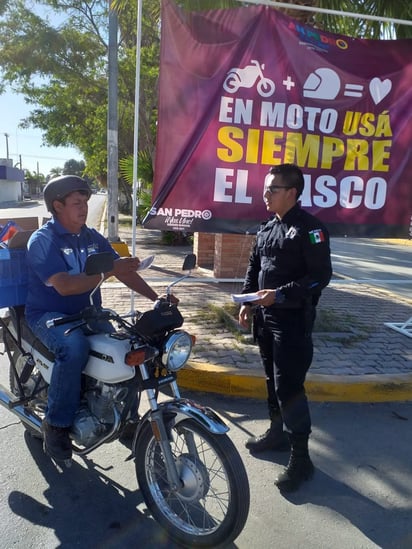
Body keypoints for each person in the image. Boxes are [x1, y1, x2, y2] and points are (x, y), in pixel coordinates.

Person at [25, 175, 165, 462]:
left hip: (88, 312)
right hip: (50, 314)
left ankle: (125, 416)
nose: (84, 208)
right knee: (74, 349)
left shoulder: (91, 237)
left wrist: (156, 299)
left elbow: (122, 270)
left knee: (129, 349)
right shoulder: (43, 240)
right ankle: (57, 425)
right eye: (77, 203)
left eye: (86, 202)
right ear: (58, 206)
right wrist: (108, 270)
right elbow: (64, 285)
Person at [239, 164, 332, 492]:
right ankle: (277, 433)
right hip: (265, 320)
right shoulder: (266, 228)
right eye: (265, 189)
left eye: (271, 190)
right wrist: (248, 301)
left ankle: (301, 459)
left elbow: (321, 277)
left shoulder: (311, 229)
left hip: (292, 321)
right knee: (271, 381)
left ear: (292, 192)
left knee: (289, 387)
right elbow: (254, 266)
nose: (265, 195)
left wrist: (279, 294)